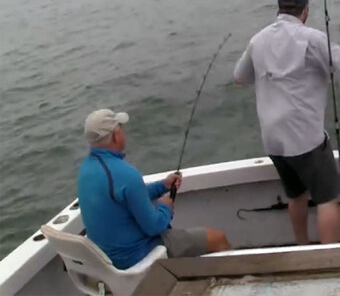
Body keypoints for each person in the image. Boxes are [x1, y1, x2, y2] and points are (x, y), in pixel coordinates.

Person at [233, 0, 340, 244]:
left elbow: (239, 77)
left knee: (296, 196)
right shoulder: (313, 38)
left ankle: (302, 247)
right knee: (328, 199)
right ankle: (328, 258)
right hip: (305, 138)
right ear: (305, 10)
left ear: (280, 8)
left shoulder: (258, 40)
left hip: (273, 139)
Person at [77, 109, 230, 269]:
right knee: (218, 239)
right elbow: (155, 226)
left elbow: (127, 197)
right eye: (121, 127)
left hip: (106, 259)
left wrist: (162, 186)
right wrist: (166, 208)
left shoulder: (85, 171)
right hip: (137, 255)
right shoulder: (127, 174)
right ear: (116, 136)